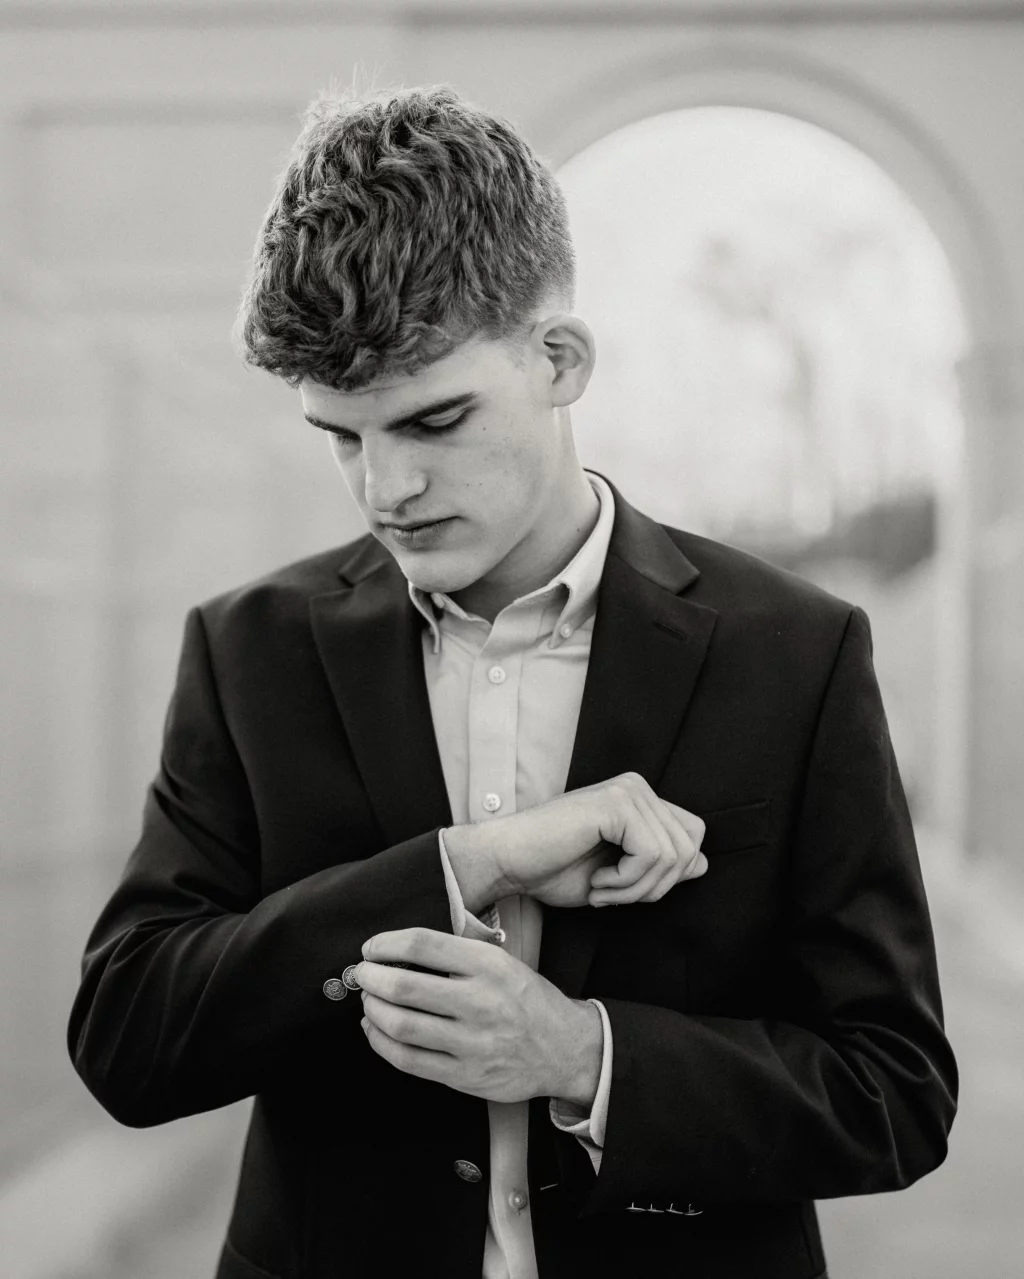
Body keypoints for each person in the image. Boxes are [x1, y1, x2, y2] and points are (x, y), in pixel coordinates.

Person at [67, 85, 957, 1279]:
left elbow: (893, 1089)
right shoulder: (250, 650)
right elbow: (128, 1038)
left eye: (433, 422)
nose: (385, 490)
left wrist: (584, 1057)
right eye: (342, 435)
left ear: (558, 359)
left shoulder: (791, 652)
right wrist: (460, 868)